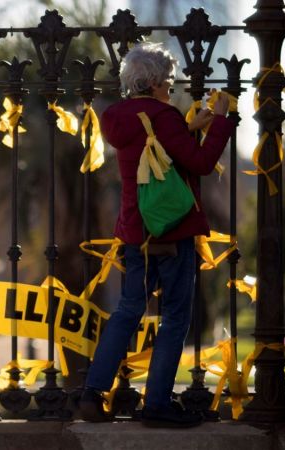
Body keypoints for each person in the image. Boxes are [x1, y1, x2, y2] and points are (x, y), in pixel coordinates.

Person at [77, 42, 233, 428]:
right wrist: (223, 121)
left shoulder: (116, 117)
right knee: (176, 317)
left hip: (135, 232)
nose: (172, 86)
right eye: (169, 80)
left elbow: (161, 145)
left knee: (128, 310)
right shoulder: (163, 116)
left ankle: (92, 394)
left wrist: (190, 127)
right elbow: (198, 162)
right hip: (172, 230)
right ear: (157, 81)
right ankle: (157, 404)